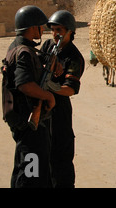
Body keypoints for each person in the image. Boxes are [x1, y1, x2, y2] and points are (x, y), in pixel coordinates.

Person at [5, 5, 56, 188]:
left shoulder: (17, 47)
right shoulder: (25, 52)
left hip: (22, 119)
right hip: (29, 122)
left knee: (25, 168)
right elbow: (24, 84)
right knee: (30, 174)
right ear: (32, 28)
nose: (42, 30)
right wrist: (48, 96)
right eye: (39, 26)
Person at [40, 10, 85, 188]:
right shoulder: (47, 46)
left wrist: (52, 87)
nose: (55, 33)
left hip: (60, 112)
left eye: (59, 29)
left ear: (70, 31)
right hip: (43, 109)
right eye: (53, 29)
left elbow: (70, 89)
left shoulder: (74, 57)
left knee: (62, 162)